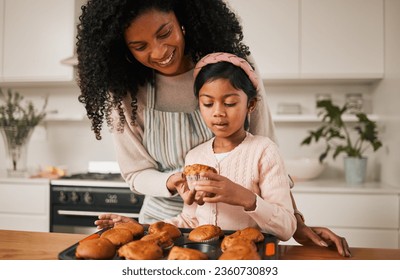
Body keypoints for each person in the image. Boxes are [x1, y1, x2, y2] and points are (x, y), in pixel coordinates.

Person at [77, 0, 351, 257]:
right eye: (140, 46)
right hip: (164, 225)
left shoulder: (230, 69)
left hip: (243, 226)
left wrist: (294, 221)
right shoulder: (127, 92)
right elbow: (136, 173)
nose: (159, 52)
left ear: (181, 19)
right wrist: (170, 185)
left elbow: (268, 156)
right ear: (124, 49)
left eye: (165, 33)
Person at [97, 53, 297, 241]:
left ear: (251, 105)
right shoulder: (195, 157)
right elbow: (189, 221)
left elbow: (287, 228)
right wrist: (140, 228)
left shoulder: (264, 152)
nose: (218, 112)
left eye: (230, 103)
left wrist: (246, 198)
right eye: (208, 104)